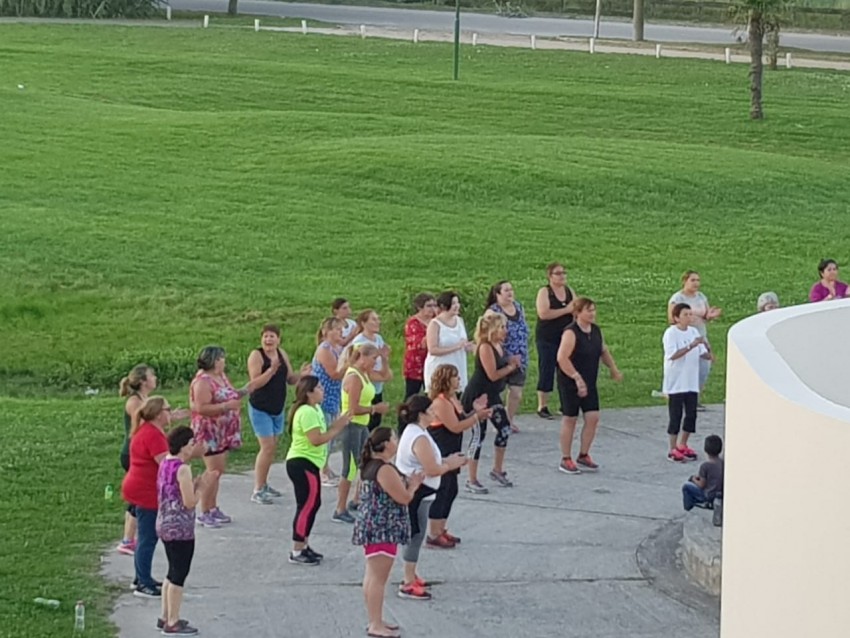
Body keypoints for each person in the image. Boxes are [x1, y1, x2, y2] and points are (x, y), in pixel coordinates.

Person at [352, 427, 424, 638]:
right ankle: (375, 624)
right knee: (378, 579)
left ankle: (376, 619)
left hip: (373, 526)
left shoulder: (371, 466)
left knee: (372, 576)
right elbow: (403, 498)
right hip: (382, 528)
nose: (397, 441)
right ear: (384, 444)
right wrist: (413, 486)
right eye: (393, 438)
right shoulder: (384, 469)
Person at [396, 395, 467, 600]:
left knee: (416, 534)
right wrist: (451, 464)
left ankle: (411, 574)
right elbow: (432, 469)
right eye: (431, 410)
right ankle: (408, 581)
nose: (435, 413)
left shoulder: (417, 432)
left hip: (421, 490)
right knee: (415, 535)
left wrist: (447, 460)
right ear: (421, 414)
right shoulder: (419, 437)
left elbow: (431, 462)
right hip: (420, 492)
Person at [156, 426, 216, 636]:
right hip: (180, 527)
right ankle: (173, 621)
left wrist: (193, 484)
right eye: (191, 444)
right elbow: (189, 502)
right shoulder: (183, 468)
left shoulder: (166, 462)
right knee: (179, 574)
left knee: (171, 571)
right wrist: (202, 487)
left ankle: (165, 614)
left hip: (164, 522)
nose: (193, 448)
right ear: (183, 446)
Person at [285, 376, 350, 565]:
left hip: (310, 463)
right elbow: (316, 439)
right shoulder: (306, 412)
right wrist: (337, 428)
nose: (323, 390)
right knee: (307, 505)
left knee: (313, 504)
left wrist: (336, 425)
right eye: (319, 388)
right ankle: (297, 550)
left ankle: (304, 544)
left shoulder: (315, 409)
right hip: (302, 463)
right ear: (309, 393)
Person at [189, 346, 255, 527]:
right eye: (221, 358)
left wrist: (243, 392)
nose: (224, 361)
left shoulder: (221, 376)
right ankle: (203, 510)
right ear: (214, 360)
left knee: (218, 471)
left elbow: (228, 393)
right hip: (209, 432)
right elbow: (201, 407)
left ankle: (212, 506)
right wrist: (226, 407)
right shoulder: (202, 381)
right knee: (212, 471)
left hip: (223, 431)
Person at [556, 297, 623, 475]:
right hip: (570, 380)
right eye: (588, 310)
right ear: (578, 313)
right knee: (570, 418)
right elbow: (562, 358)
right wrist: (576, 378)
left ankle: (584, 454)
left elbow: (603, 350)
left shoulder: (595, 330)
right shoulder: (571, 332)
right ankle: (565, 458)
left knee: (592, 417)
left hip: (589, 379)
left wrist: (613, 369)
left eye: (593, 310)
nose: (592, 313)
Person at [427, 365, 490, 548]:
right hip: (442, 450)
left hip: (451, 448)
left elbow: (462, 419)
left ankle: (441, 528)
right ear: (446, 379)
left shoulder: (452, 398)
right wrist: (477, 417)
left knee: (451, 489)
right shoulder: (440, 402)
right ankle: (434, 533)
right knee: (442, 490)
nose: (459, 379)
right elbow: (455, 426)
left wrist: (475, 411)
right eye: (455, 377)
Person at [462, 313, 520, 492]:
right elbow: (492, 374)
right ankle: (471, 479)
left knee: (504, 428)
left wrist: (508, 362)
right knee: (479, 435)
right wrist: (510, 367)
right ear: (492, 329)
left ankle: (498, 469)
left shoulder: (498, 345)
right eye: (502, 327)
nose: (505, 331)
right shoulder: (485, 347)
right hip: (478, 397)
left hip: (492, 395)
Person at [121, 397, 172, 598]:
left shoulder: (148, 430)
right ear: (159, 414)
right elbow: (166, 465)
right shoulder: (153, 436)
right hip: (146, 491)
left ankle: (141, 576)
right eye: (168, 409)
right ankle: (143, 582)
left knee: (146, 536)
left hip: (140, 487)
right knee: (147, 538)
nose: (170, 413)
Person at [333, 343, 390, 524]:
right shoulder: (354, 377)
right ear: (362, 357)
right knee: (349, 467)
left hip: (362, 425)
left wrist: (385, 359)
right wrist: (375, 408)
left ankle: (357, 500)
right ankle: (339, 509)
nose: (375, 363)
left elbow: (385, 376)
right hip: (351, 426)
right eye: (373, 359)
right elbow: (353, 408)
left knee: (366, 462)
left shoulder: (364, 374)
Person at [247, 324, 303, 505]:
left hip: (277, 408)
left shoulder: (281, 354)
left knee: (272, 449)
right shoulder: (257, 356)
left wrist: (302, 375)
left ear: (278, 339)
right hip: (260, 407)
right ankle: (257, 489)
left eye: (272, 336)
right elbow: (255, 383)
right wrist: (271, 370)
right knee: (267, 447)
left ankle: (264, 484)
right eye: (265, 336)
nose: (268, 340)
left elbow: (290, 379)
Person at [663, 304, 712, 463]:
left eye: (690, 314)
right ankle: (672, 448)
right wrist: (692, 345)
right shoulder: (671, 333)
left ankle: (683, 443)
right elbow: (673, 355)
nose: (689, 317)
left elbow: (701, 353)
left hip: (691, 381)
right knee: (675, 415)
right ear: (677, 317)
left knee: (691, 415)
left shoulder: (693, 332)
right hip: (677, 381)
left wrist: (707, 351)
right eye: (685, 314)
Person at [117, 365, 158, 557]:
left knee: (139, 497)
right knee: (138, 498)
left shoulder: (145, 399)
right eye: (152, 376)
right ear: (143, 381)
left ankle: (130, 538)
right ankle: (128, 539)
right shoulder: (134, 402)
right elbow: (141, 425)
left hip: (141, 452)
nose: (155, 378)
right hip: (133, 453)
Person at [668, 271, 722, 408]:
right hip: (685, 336)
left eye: (698, 280)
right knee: (687, 366)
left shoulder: (701, 297)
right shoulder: (677, 298)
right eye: (693, 280)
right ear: (685, 281)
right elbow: (671, 319)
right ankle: (682, 397)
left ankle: (695, 397)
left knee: (704, 365)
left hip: (700, 335)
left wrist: (710, 316)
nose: (696, 283)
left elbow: (705, 315)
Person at [535, 262, 577, 420]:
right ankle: (542, 405)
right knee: (547, 369)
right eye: (558, 273)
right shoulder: (545, 292)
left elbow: (576, 308)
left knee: (566, 369)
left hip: (565, 337)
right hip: (547, 337)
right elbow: (544, 313)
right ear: (550, 276)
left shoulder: (569, 291)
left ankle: (565, 403)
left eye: (563, 273)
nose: (562, 276)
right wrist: (566, 310)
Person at [487, 280, 529, 433]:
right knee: (496, 390)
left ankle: (509, 420)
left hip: (520, 356)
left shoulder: (518, 307)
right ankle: (497, 420)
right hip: (502, 357)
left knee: (516, 392)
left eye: (511, 289)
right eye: (506, 290)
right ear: (497, 294)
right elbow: (486, 334)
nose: (510, 293)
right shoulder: (493, 311)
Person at [312, 317, 347, 486]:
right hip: (324, 396)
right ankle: (321, 470)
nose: (341, 333)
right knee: (325, 433)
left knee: (332, 433)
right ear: (327, 332)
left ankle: (325, 467)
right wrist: (350, 364)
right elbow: (334, 373)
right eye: (338, 329)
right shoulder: (325, 349)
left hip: (334, 396)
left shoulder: (338, 348)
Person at [423, 291, 473, 394]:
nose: (457, 306)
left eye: (457, 303)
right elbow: (433, 349)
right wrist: (456, 347)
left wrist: (470, 346)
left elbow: (463, 342)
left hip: (458, 364)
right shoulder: (435, 324)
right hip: (440, 366)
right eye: (453, 303)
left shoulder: (460, 321)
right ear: (444, 306)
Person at [351, 309, 394, 432]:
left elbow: (383, 360)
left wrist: (385, 363)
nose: (378, 322)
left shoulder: (378, 339)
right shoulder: (360, 342)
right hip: (365, 387)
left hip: (377, 387)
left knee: (376, 421)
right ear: (363, 323)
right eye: (374, 319)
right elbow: (360, 368)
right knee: (367, 423)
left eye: (378, 319)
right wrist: (384, 376)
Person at [403, 293, 437, 400]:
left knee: (432, 394)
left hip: (432, 361)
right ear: (420, 307)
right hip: (416, 364)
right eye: (429, 306)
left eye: (434, 306)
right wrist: (432, 331)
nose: (432, 309)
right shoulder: (413, 323)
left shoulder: (436, 320)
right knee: (412, 394)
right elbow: (420, 344)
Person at [682, 435, 724, 511]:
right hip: (719, 493)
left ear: (705, 450)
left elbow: (701, 485)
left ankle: (689, 506)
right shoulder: (722, 463)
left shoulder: (705, 466)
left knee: (686, 486)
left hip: (708, 494)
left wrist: (693, 479)